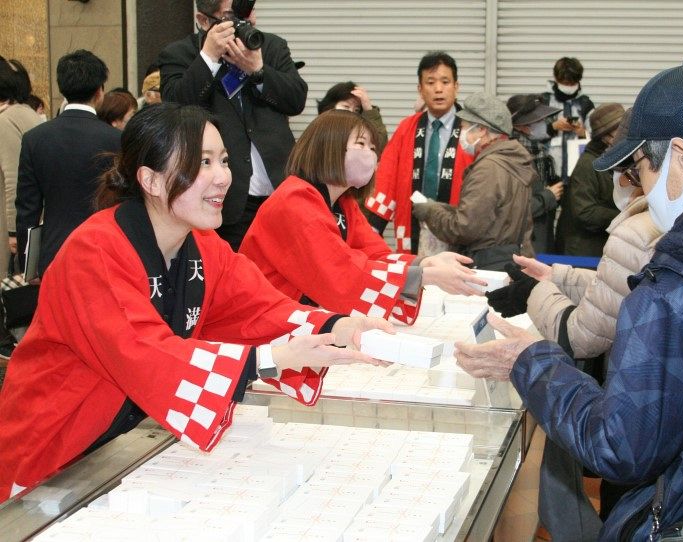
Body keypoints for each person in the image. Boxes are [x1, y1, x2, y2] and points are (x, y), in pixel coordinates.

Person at [456, 62, 683, 541]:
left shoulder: (674, 291)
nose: (636, 188)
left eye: (639, 170)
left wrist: (530, 361)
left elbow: (623, 447)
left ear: (682, 156)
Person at [0, 103, 392, 503]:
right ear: (150, 180)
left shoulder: (203, 245)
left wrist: (338, 327)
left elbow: (260, 308)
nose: (223, 177)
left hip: (112, 442)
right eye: (202, 162)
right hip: (53, 445)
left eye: (223, 160)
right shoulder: (95, 250)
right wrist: (269, 358)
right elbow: (144, 351)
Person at [489, 109, 662, 541]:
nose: (621, 182)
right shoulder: (662, 221)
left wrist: (532, 293)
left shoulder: (638, 228)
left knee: (622, 496)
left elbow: (579, 336)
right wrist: (557, 276)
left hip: (633, 404)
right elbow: (617, 285)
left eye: (627, 171)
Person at [239, 110, 484, 324]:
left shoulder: (343, 202)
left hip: (299, 318)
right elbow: (340, 275)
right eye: (361, 144)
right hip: (266, 321)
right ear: (329, 145)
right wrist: (424, 276)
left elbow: (375, 255)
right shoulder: (294, 201)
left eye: (374, 148)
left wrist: (424, 264)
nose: (371, 155)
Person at [158, 0, 308, 251]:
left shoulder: (269, 46)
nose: (246, 22)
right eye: (232, 16)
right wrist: (208, 58)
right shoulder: (179, 54)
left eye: (248, 14)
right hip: (225, 201)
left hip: (279, 193)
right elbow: (176, 108)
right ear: (204, 20)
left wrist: (258, 70)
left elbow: (296, 100)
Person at [16, 49, 121, 279]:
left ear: (62, 88)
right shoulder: (116, 139)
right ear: (99, 91)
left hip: (53, 252)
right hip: (104, 251)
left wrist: (27, 264)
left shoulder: (35, 139)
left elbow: (27, 209)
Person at [365, 51, 473, 254]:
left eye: (445, 81)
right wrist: (372, 229)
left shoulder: (472, 130)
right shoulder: (407, 128)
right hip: (414, 225)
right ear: (420, 90)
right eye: (430, 83)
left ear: (456, 87)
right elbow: (386, 179)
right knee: (416, 280)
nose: (438, 89)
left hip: (459, 227)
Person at [411, 92, 534, 271]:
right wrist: (445, 209)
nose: (460, 134)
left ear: (482, 130)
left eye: (464, 127)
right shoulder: (513, 161)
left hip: (488, 267)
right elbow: (495, 217)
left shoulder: (488, 168)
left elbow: (464, 228)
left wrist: (430, 211)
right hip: (512, 262)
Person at [554, 103, 624, 256]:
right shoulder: (589, 164)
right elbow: (585, 212)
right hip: (582, 252)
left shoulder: (610, 160)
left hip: (595, 247)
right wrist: (624, 215)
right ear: (606, 137)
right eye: (621, 131)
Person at [0, 57, 42, 277]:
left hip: (9, 225)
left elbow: (13, 178)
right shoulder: (27, 113)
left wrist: (12, 232)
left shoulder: (6, 120)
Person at [507, 93, 562, 254]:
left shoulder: (539, 153)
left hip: (539, 237)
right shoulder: (513, 155)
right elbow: (512, 208)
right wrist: (548, 197)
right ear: (522, 124)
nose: (544, 124)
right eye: (538, 120)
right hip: (524, 244)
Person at [542, 57, 595, 183]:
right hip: (549, 171)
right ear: (556, 78)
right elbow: (532, 133)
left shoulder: (585, 104)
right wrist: (553, 127)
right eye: (565, 83)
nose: (569, 87)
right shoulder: (544, 102)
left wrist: (582, 133)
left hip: (578, 173)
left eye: (572, 83)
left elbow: (597, 139)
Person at [317, 81, 388, 150]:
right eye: (346, 106)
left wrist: (369, 110)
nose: (351, 112)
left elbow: (379, 147)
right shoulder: (319, 129)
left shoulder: (359, 131)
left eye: (356, 110)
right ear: (331, 106)